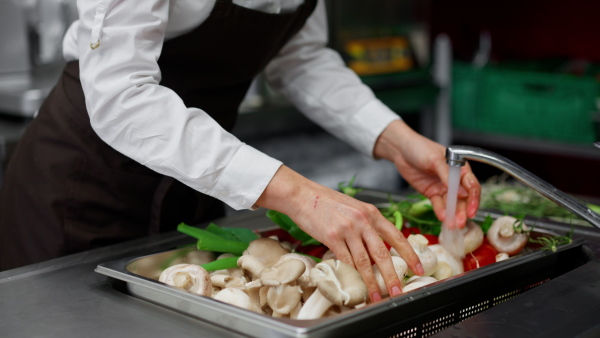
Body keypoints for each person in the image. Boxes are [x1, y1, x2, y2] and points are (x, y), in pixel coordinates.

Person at [0, 0, 480, 302]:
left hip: (194, 183)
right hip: (81, 187)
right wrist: (301, 195)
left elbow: (300, 59)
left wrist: (399, 142)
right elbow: (121, 95)